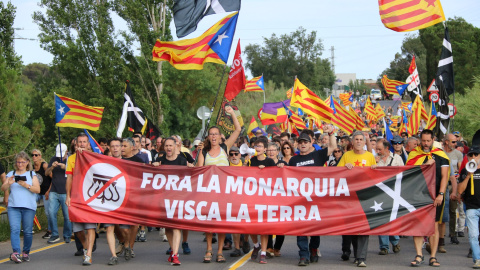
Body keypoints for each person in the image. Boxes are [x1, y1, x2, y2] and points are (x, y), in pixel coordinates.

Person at [196, 105, 241, 263]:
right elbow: (198, 171)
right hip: (209, 191)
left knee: (221, 223)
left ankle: (220, 251)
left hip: (224, 191)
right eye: (211, 134)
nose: (214, 136)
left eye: (216, 134)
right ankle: (209, 249)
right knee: (209, 223)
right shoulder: (203, 152)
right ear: (207, 137)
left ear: (220, 136)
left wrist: (232, 113)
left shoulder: (225, 147)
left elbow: (237, 130)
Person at [288, 124, 336, 266]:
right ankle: (303, 255)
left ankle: (313, 249)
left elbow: (333, 147)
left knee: (315, 227)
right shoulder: (293, 160)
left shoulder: (318, 155)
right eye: (300, 142)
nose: (303, 144)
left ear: (311, 143)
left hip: (316, 199)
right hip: (299, 200)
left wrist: (331, 132)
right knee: (301, 228)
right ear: (297, 144)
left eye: (306, 142)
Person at [407, 129, 450, 267]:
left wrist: (441, 194)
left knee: (434, 225)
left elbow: (445, 176)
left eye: (428, 141)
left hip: (435, 195)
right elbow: (408, 171)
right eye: (423, 141)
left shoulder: (441, 155)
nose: (425, 144)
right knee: (418, 226)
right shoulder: (414, 154)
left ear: (433, 140)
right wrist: (424, 165)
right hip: (418, 195)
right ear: (420, 140)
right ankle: (419, 255)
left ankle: (433, 256)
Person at [337, 131, 376, 267]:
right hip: (350, 197)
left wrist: (375, 168)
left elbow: (376, 175)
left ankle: (361, 257)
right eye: (356, 139)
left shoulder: (370, 156)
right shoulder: (346, 155)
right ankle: (357, 254)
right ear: (352, 142)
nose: (359, 141)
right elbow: (336, 173)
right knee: (353, 227)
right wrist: (344, 167)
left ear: (365, 143)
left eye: (361, 139)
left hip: (365, 196)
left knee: (364, 227)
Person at [152, 137, 194, 265]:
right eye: (166, 146)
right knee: (168, 228)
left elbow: (191, 177)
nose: (169, 148)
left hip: (178, 199)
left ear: (176, 146)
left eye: (171, 145)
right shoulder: (160, 160)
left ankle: (175, 254)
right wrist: (152, 166)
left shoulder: (182, 161)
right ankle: (173, 252)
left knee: (176, 227)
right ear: (164, 147)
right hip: (164, 199)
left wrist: (192, 168)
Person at [1, 152, 40, 263]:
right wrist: (8, 183)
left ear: (27, 162)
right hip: (14, 206)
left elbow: (37, 190)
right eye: (18, 162)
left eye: (23, 162)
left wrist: (26, 185)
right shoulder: (11, 173)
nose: (20, 164)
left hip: (28, 207)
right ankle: (16, 252)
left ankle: (26, 252)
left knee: (27, 231)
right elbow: (3, 188)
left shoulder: (32, 174)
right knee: (15, 229)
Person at [66, 133, 97, 265]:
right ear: (76, 143)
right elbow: (69, 178)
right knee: (78, 230)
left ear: (88, 144)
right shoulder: (71, 159)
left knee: (90, 227)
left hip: (90, 197)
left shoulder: (94, 157)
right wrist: (68, 195)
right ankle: (85, 247)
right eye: (80, 142)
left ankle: (88, 254)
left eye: (85, 142)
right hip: (76, 197)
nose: (82, 144)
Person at [373, 140, 403, 255]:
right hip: (379, 193)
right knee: (382, 219)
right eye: (377, 149)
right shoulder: (375, 159)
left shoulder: (397, 159)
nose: (378, 151)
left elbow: (403, 174)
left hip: (393, 192)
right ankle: (384, 247)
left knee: (392, 219)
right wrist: (373, 165)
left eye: (380, 149)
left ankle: (395, 242)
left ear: (387, 149)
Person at [457, 145, 480, 269]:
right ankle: (477, 259)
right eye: (470, 155)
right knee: (473, 235)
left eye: (476, 155)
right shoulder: (466, 170)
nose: (473, 157)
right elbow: (459, 190)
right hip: (471, 207)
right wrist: (468, 176)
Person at [45, 143, 72, 244]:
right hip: (54, 190)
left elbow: (76, 172)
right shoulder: (53, 159)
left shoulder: (70, 159)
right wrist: (51, 167)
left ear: (66, 151)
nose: (59, 156)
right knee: (51, 212)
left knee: (67, 215)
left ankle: (67, 234)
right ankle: (55, 234)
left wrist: (66, 167)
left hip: (66, 191)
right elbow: (47, 173)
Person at [32, 149, 52, 239]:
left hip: (46, 191)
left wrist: (49, 191)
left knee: (48, 212)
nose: (34, 157)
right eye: (32, 155)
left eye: (36, 155)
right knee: (29, 206)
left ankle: (50, 230)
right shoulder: (32, 168)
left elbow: (53, 178)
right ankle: (29, 227)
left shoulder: (44, 165)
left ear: (40, 156)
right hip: (37, 192)